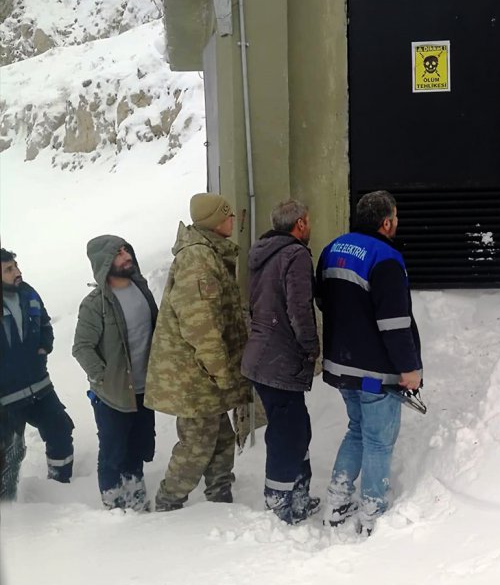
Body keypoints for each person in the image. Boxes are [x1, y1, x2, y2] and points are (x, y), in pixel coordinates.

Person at [315, 190, 422, 535]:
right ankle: (374, 512)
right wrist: (408, 368)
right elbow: (394, 322)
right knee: (378, 440)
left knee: (357, 430)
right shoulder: (386, 257)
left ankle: (337, 500)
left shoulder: (332, 249)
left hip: (340, 364)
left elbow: (322, 299)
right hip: (375, 369)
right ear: (386, 221)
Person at [144, 193, 252, 512]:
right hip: (196, 376)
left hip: (205, 374)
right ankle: (169, 500)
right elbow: (199, 325)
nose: (234, 221)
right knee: (197, 443)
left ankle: (219, 495)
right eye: (229, 215)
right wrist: (220, 371)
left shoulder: (209, 253)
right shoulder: (197, 259)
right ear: (215, 221)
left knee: (219, 434)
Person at [241, 199, 320, 524]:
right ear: (300, 224)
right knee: (289, 433)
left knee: (296, 428)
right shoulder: (295, 255)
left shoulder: (265, 252)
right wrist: (310, 348)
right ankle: (278, 504)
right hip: (279, 358)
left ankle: (298, 496)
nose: (310, 226)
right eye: (309, 221)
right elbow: (299, 309)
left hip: (263, 355)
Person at [72, 236, 158, 511]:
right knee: (112, 452)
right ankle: (113, 505)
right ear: (104, 263)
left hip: (145, 388)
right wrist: (103, 378)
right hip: (113, 394)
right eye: (118, 253)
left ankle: (136, 498)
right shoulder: (95, 303)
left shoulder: (141, 289)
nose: (125, 255)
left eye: (126, 250)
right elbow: (81, 347)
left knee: (138, 447)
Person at [0, 248, 74, 487]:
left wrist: (45, 347)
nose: (18, 272)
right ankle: (8, 506)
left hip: (39, 385)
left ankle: (60, 484)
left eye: (16, 266)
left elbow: (44, 323)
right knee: (9, 453)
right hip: (6, 398)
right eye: (9, 269)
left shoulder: (28, 292)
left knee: (60, 428)